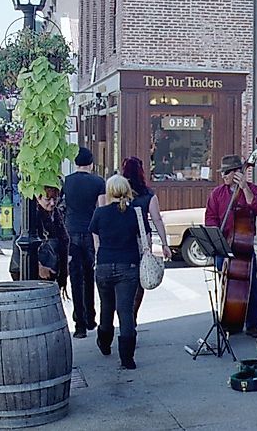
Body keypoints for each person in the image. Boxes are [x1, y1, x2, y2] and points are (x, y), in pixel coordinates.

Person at [204, 154, 257, 339]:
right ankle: (231, 321)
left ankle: (253, 324)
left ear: (238, 172)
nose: (224, 176)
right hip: (223, 247)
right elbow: (210, 218)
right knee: (226, 287)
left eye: (228, 172)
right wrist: (217, 236)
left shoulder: (253, 189)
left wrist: (245, 188)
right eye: (223, 172)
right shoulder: (216, 194)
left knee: (250, 286)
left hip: (244, 247)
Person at [89, 175, 141, 369]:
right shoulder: (135, 213)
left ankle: (104, 342)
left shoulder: (100, 213)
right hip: (128, 265)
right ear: (127, 191)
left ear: (109, 192)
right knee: (125, 311)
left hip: (104, 264)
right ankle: (127, 358)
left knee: (106, 306)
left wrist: (99, 260)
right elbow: (141, 239)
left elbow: (96, 243)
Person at [121, 156, 172, 326]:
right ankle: (133, 315)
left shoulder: (119, 192)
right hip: (142, 240)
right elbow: (157, 219)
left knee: (123, 278)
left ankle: (124, 314)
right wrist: (165, 244)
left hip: (121, 238)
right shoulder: (148, 194)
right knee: (141, 278)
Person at [63, 147, 106, 339]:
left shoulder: (67, 181)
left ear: (76, 163)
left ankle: (79, 324)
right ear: (91, 163)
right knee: (90, 275)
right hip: (91, 232)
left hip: (71, 231)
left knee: (75, 277)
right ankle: (90, 317)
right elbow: (102, 208)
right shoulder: (98, 182)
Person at [36, 186, 70, 298]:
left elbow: (64, 240)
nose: (52, 203)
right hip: (41, 276)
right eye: (47, 199)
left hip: (54, 273)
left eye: (55, 199)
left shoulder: (56, 214)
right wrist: (39, 267)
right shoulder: (34, 216)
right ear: (38, 198)